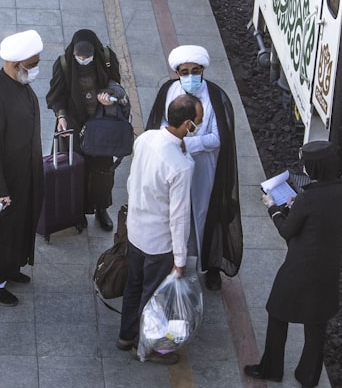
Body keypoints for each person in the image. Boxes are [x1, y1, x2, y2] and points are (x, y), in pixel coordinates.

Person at [244, 140, 342, 388]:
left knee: (277, 312)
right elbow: (323, 220)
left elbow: (286, 231)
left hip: (300, 266)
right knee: (316, 322)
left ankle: (271, 368)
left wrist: (274, 208)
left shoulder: (308, 199)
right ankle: (308, 377)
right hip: (327, 268)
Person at [147, 45, 242, 290]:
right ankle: (172, 260)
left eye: (195, 70)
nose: (190, 76)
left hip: (204, 170)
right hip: (173, 164)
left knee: (204, 212)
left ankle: (210, 265)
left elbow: (219, 138)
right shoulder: (168, 91)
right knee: (175, 211)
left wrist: (186, 142)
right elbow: (159, 127)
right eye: (184, 71)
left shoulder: (216, 97)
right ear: (177, 72)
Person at [117, 94, 201, 365]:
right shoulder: (180, 166)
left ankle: (125, 336)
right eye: (197, 122)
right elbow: (178, 217)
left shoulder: (145, 138)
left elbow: (133, 180)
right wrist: (180, 260)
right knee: (153, 298)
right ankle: (145, 347)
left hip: (136, 230)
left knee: (133, 286)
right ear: (188, 124)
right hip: (159, 241)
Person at [0, 29, 46, 307]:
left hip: (26, 172)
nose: (35, 70)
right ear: (15, 65)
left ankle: (11, 267)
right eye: (32, 65)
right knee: (2, 228)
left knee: (21, 222)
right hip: (5, 180)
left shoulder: (18, 84)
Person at [45, 28, 126, 231]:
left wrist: (108, 95)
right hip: (73, 124)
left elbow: (116, 83)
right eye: (79, 57)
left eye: (87, 57)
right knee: (73, 169)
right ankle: (75, 211)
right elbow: (57, 95)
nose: (83, 60)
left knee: (102, 171)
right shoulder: (63, 64)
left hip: (101, 125)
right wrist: (61, 116)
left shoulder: (106, 58)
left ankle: (101, 209)